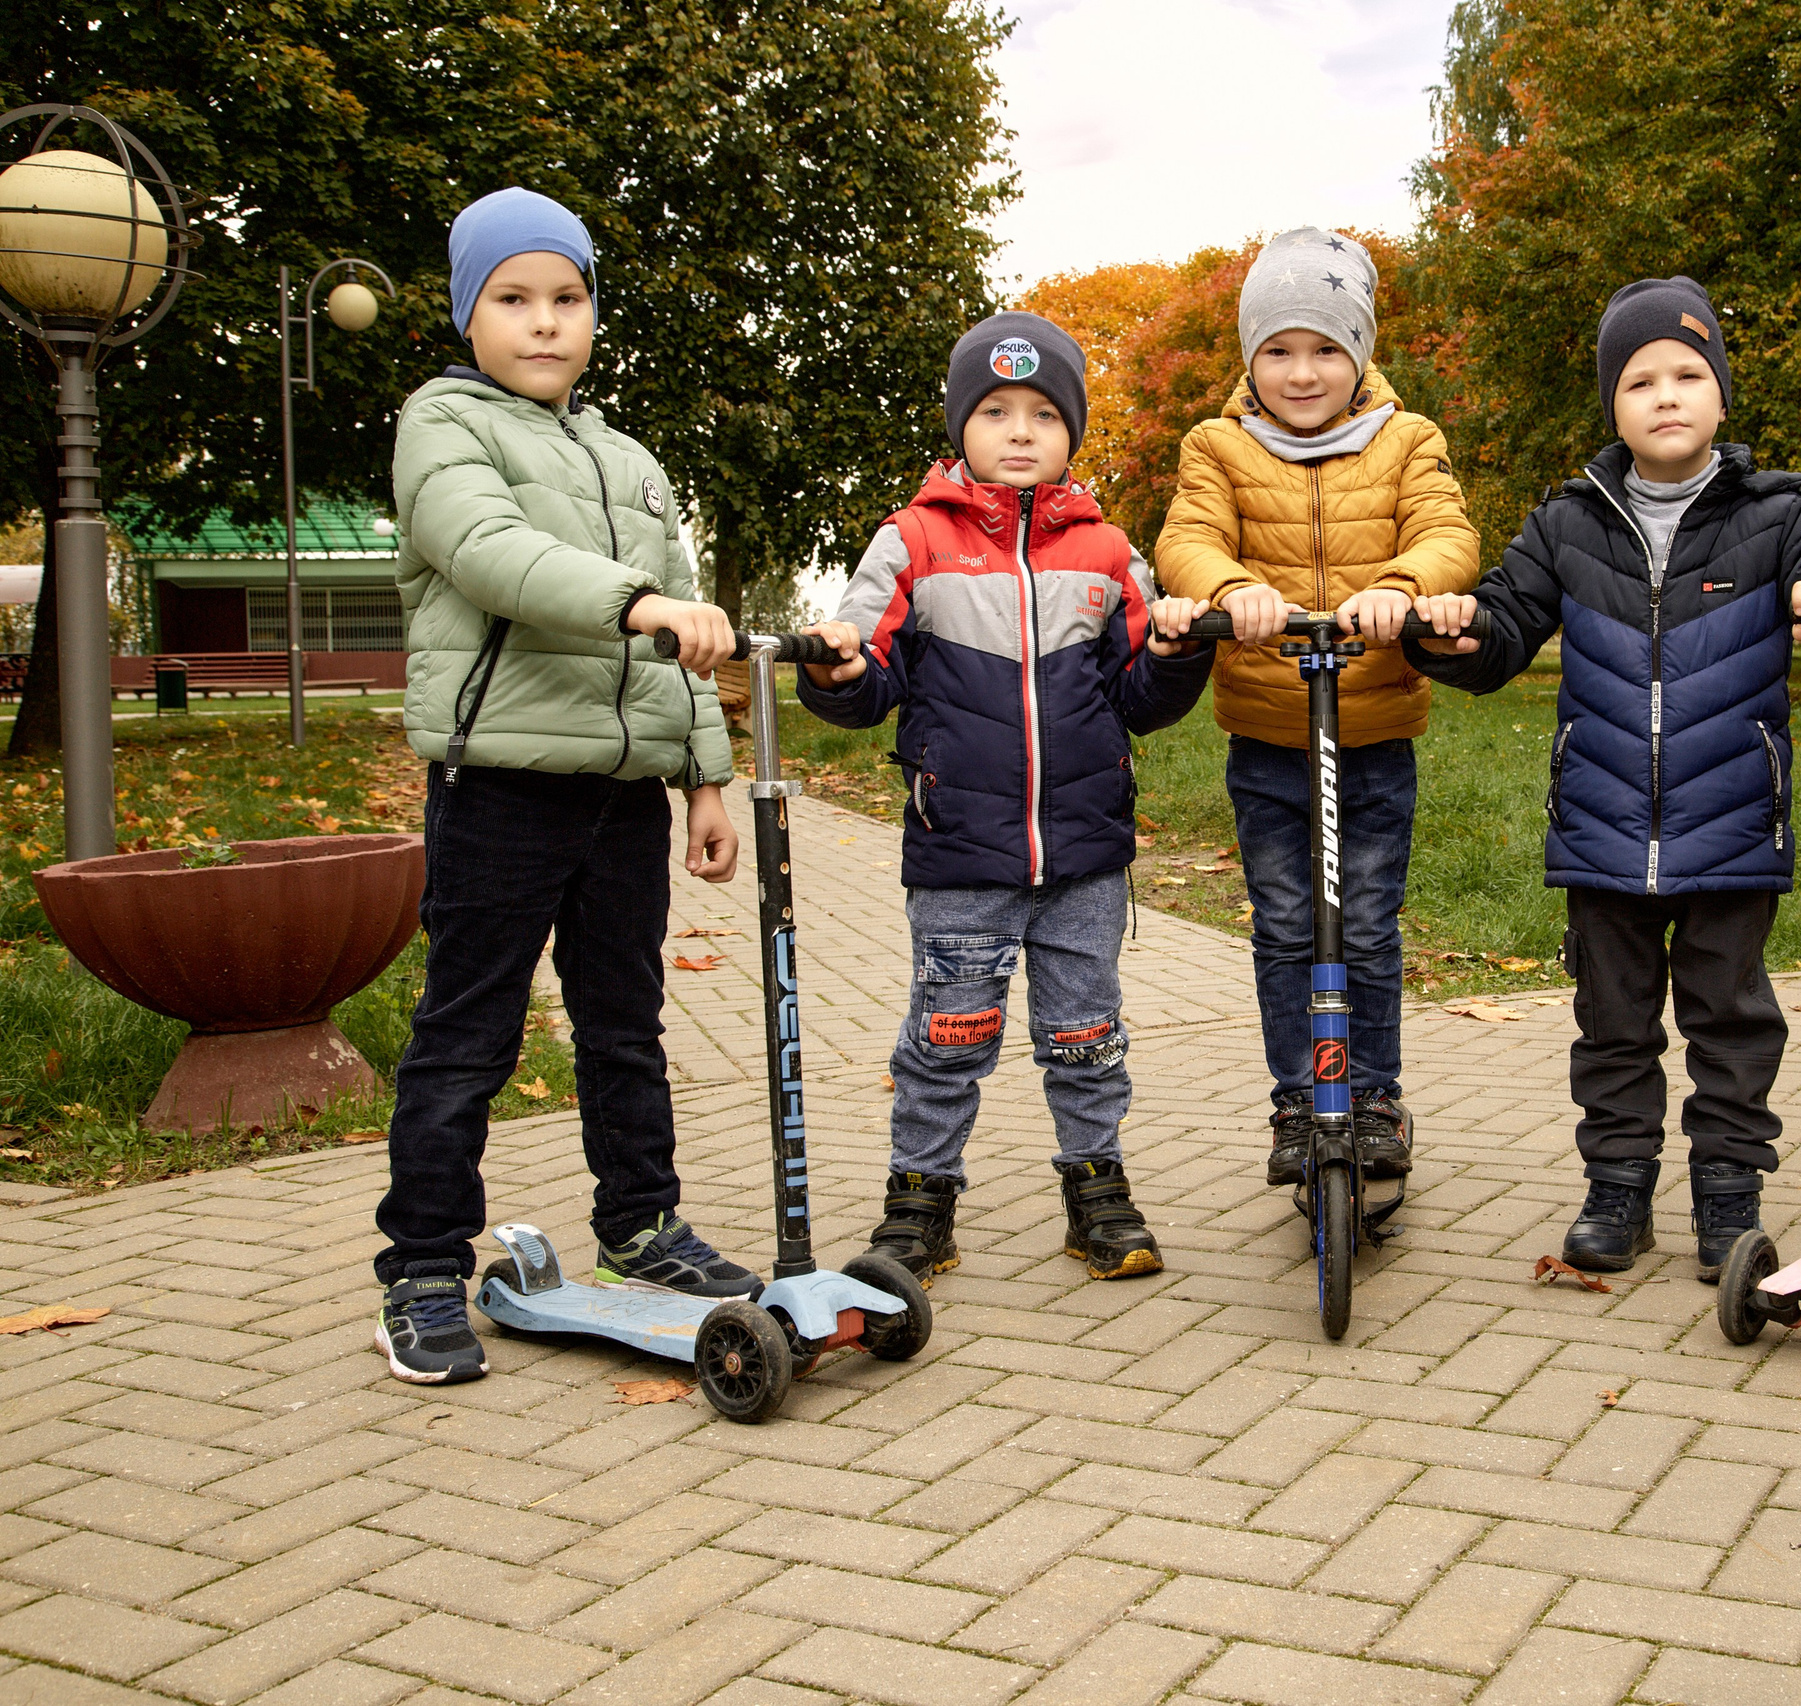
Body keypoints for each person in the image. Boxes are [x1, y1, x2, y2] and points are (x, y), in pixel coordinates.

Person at [1406, 276, 1801, 1278]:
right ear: (1613, 406)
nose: (1666, 394)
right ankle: (1617, 1190)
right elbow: (1500, 632)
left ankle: (1728, 1196)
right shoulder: (1566, 525)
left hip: (1729, 826)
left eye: (1688, 373)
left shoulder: (1776, 511)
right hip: (1600, 827)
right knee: (1612, 1026)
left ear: (1720, 394)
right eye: (1640, 380)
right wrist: (1448, 633)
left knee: (1731, 1025)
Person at [374, 187, 754, 1384]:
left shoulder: (627, 459)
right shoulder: (442, 424)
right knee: (467, 1035)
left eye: (569, 297)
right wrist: (631, 602)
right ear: (467, 313)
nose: (546, 323)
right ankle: (425, 1266)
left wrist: (703, 778)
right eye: (515, 298)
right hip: (499, 787)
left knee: (626, 1027)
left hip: (622, 797)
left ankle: (641, 1225)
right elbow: (489, 550)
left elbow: (688, 633)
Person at [798, 312, 1213, 1282]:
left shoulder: (1109, 552)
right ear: (960, 427)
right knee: (948, 1037)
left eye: (1042, 412)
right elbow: (868, 681)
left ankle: (1096, 1191)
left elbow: (1140, 698)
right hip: (962, 853)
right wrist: (835, 669)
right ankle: (919, 1201)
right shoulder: (910, 542)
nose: (1019, 429)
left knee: (1086, 1037)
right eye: (995, 410)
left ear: (1070, 430)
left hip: (1084, 855)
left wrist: (1177, 653)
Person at [1153, 228, 1479, 1190]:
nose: (1303, 371)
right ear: (1251, 358)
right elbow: (1187, 541)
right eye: (1280, 350)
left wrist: (1403, 583)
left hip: (1373, 731)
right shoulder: (1215, 444)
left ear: (1362, 353)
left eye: (1327, 348)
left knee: (1368, 924)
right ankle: (1299, 1099)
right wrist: (1231, 590)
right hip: (1268, 732)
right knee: (1287, 926)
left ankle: (1373, 1095)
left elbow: (1447, 533)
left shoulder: (1408, 439)